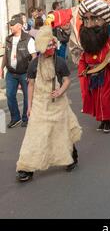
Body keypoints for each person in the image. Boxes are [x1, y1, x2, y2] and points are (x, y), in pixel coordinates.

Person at [16, 26, 82, 182]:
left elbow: (66, 80)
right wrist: (29, 107)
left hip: (58, 104)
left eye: (53, 44)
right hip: (39, 104)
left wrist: (60, 92)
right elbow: (30, 85)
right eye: (49, 45)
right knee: (35, 136)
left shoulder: (59, 62)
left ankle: (71, 157)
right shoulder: (33, 64)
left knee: (62, 132)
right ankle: (26, 168)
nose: (52, 47)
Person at [78, 0, 110, 132]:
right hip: (92, 76)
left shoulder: (109, 43)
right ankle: (102, 120)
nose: (90, 24)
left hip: (106, 74)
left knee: (105, 97)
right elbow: (83, 59)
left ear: (104, 21)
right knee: (96, 98)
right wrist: (82, 71)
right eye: (87, 20)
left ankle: (107, 120)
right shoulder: (87, 44)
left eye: (95, 19)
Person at [0, 14, 37, 128]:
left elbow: (34, 57)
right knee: (10, 95)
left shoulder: (28, 39)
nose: (10, 27)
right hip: (11, 73)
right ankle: (15, 118)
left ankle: (26, 118)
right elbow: (6, 55)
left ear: (19, 26)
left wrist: (31, 73)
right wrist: (1, 68)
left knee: (27, 96)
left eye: (12, 25)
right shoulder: (9, 39)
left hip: (25, 73)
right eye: (10, 25)